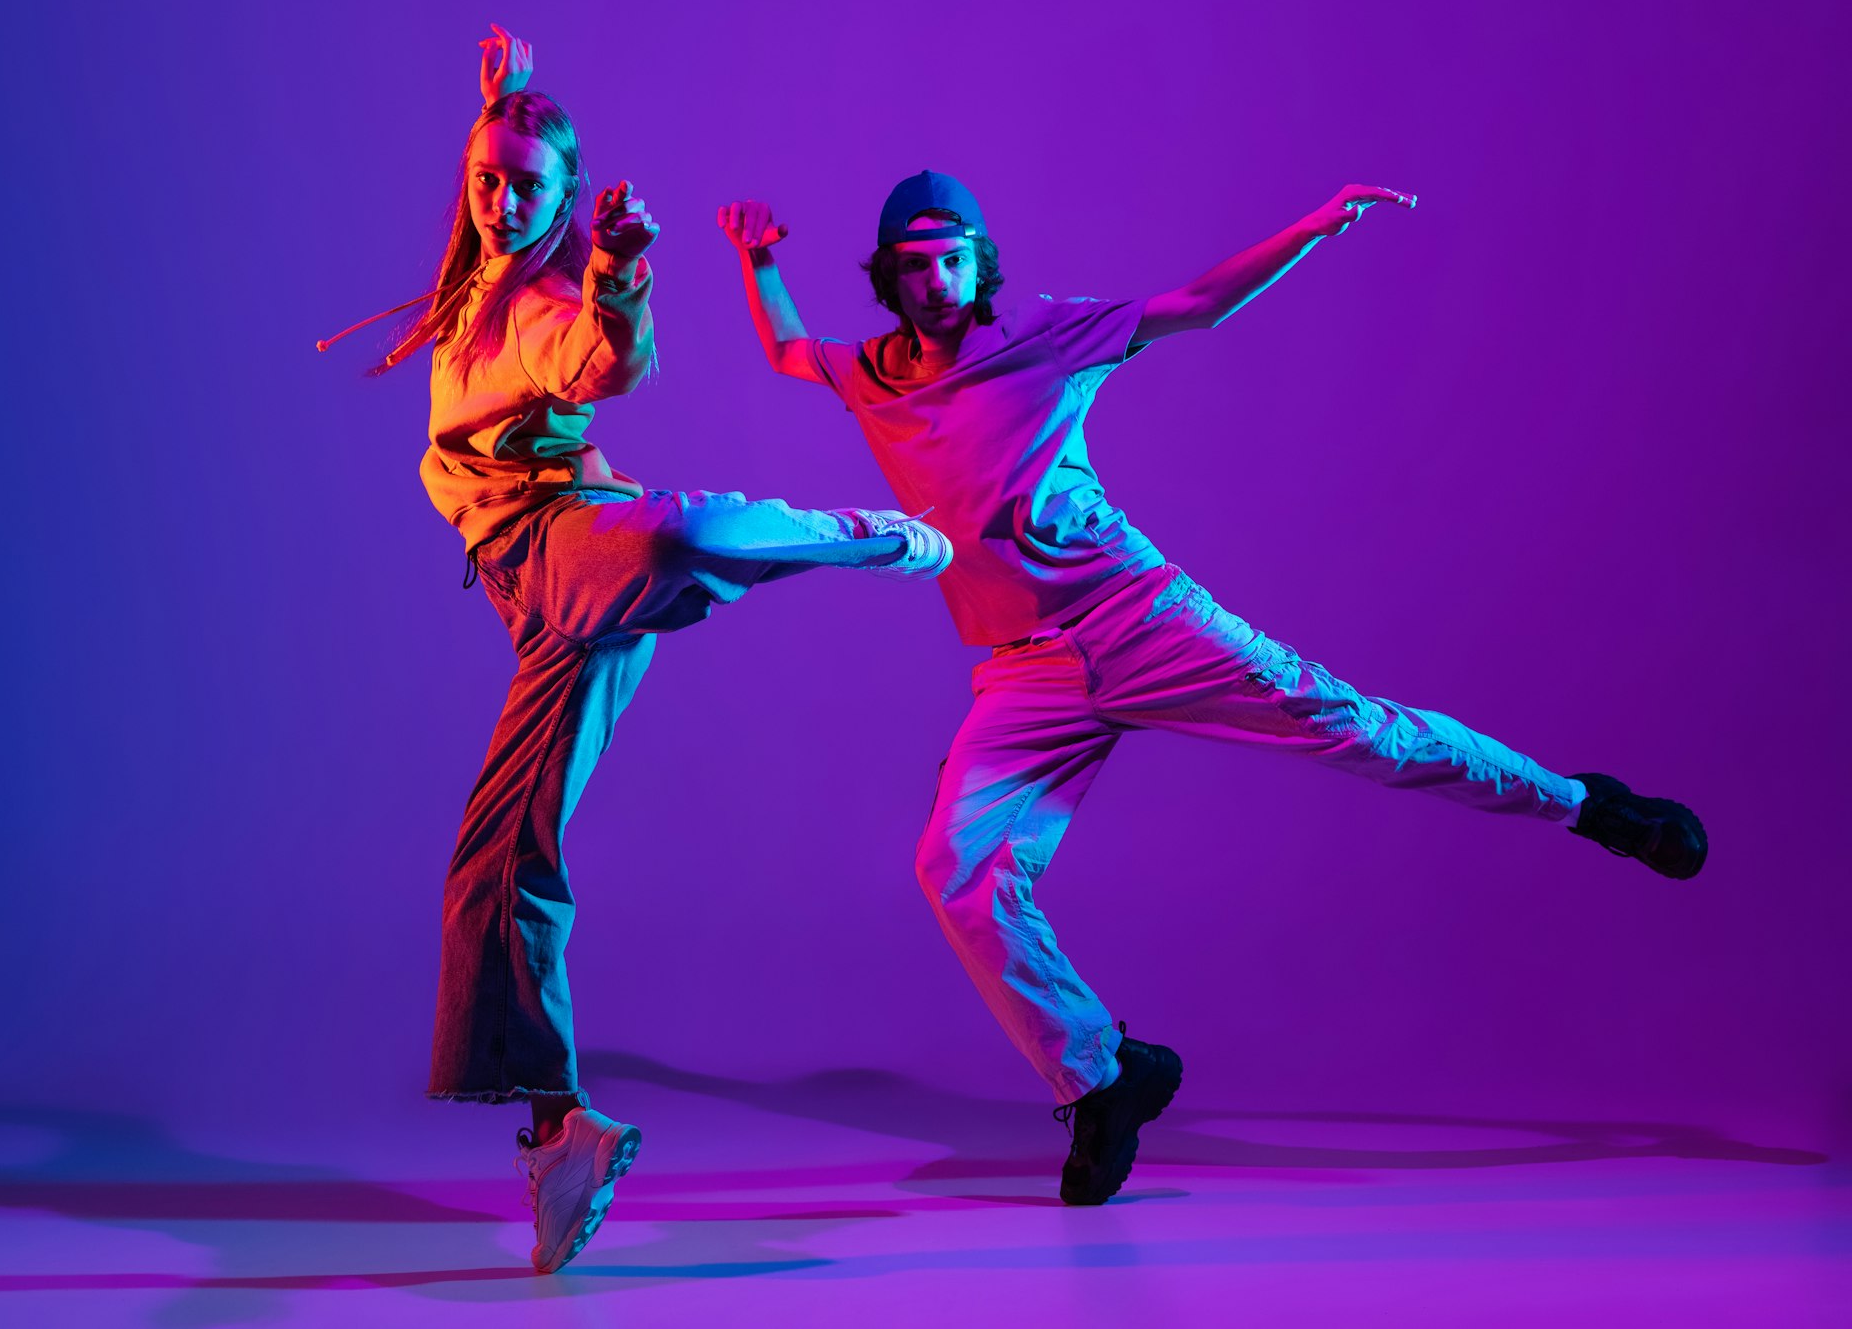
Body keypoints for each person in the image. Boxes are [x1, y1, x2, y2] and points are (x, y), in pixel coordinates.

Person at [716, 170, 1707, 1207]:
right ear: (888, 276)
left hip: (1136, 619)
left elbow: (1193, 304)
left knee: (1360, 733)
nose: (934, 280)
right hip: (1023, 670)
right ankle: (1102, 1075)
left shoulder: (1050, 335)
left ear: (978, 261)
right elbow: (788, 349)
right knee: (953, 868)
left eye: (951, 258)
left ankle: (1586, 803)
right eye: (914, 265)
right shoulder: (868, 373)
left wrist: (1312, 228)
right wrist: (759, 258)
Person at [338, 29, 953, 1273]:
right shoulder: (474, 291)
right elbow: (508, 161)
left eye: (529, 188)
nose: (503, 201)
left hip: (577, 543)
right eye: (488, 182)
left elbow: (607, 360)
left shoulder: (552, 307)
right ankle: (560, 1127)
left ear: (570, 206)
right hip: (540, 608)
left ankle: (850, 534)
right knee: (491, 864)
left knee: (669, 538)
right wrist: (502, 100)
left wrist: (617, 270)